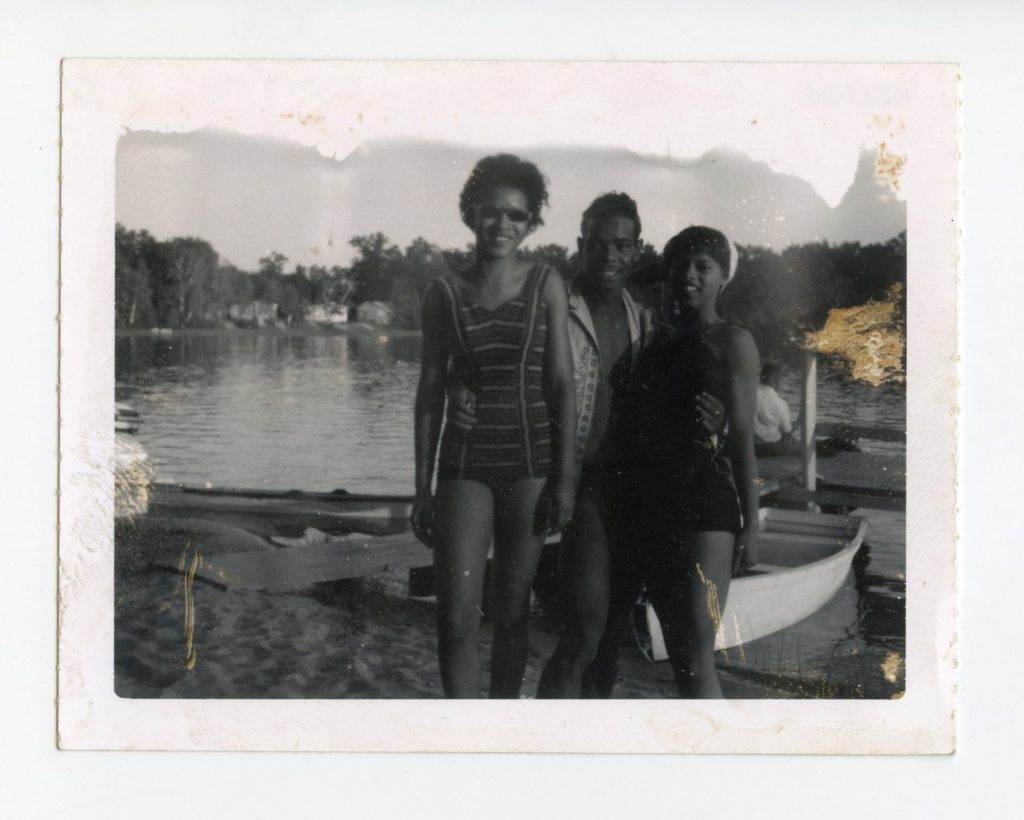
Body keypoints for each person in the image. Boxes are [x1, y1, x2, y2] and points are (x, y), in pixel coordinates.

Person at [448, 193, 724, 698]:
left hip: (635, 494)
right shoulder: (548, 303)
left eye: (622, 245)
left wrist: (718, 415)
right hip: (578, 485)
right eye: (597, 245)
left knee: (610, 641)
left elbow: (685, 382)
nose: (609, 256)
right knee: (586, 630)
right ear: (580, 245)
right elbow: (492, 349)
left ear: (636, 249)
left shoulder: (643, 322)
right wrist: (460, 383)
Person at [411, 154, 577, 699]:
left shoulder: (546, 283)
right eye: (491, 213)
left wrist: (566, 478)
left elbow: (561, 384)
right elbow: (430, 390)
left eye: (517, 216)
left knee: (511, 612)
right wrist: (420, 488)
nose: (502, 225)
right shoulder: (444, 293)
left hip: (530, 462)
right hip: (464, 463)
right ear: (470, 214)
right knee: (455, 618)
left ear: (531, 223)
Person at [587, 225, 760, 699]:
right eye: (681, 265)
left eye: (703, 267)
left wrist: (752, 522)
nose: (689, 275)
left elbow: (743, 436)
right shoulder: (653, 339)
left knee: (694, 655)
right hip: (646, 506)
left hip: (705, 504)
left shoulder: (733, 341)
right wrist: (664, 267)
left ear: (725, 276)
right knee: (628, 649)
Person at [754, 362, 794, 457]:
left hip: (746, 446)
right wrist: (801, 419)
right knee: (788, 439)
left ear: (760, 377)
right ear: (777, 381)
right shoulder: (780, 403)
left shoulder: (747, 394)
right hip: (770, 448)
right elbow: (787, 432)